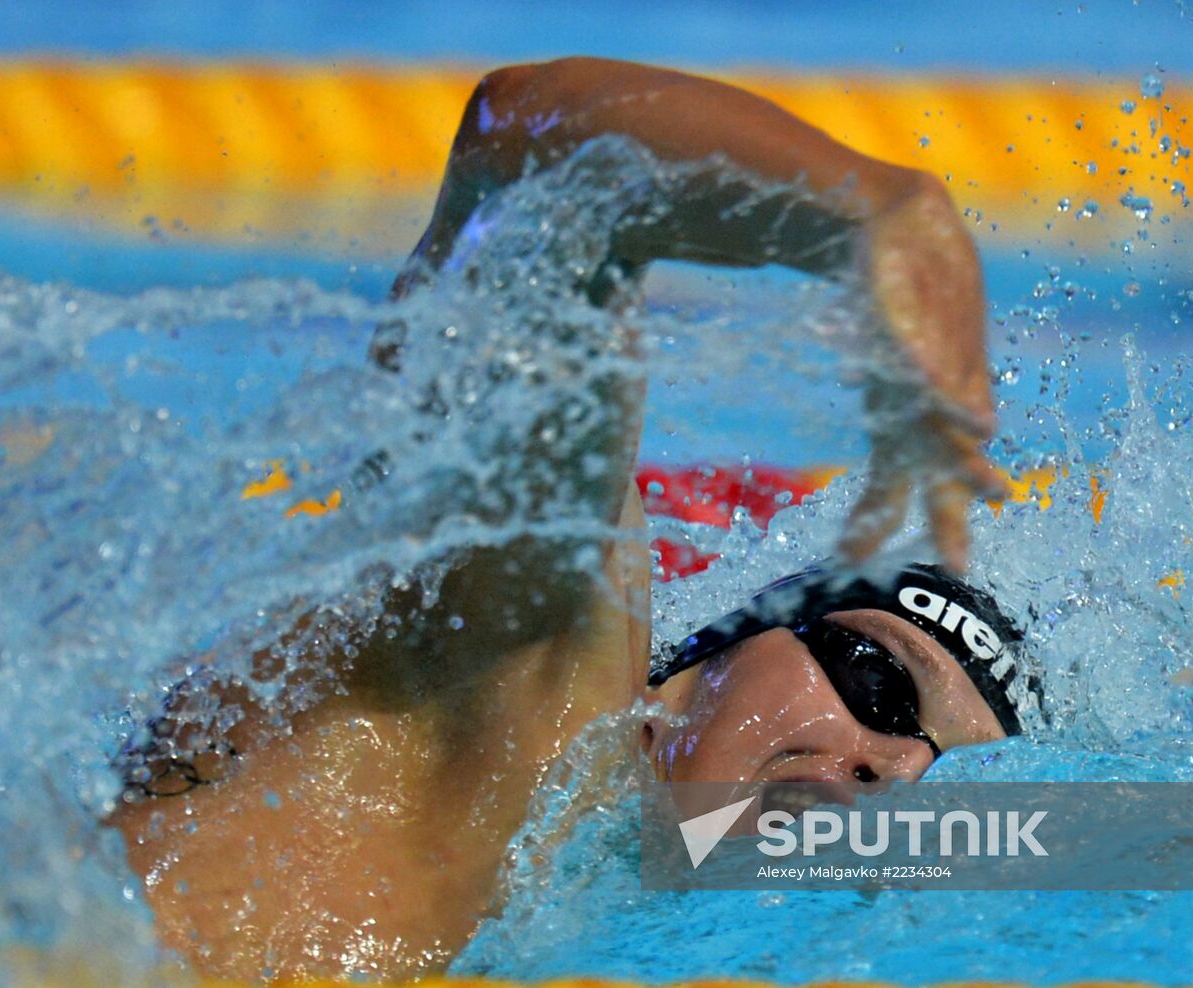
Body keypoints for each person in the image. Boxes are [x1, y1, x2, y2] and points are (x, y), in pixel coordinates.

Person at [109, 56, 1015, 982]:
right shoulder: (517, 679)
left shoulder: (588, 912)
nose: (896, 769)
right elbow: (532, 176)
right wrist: (873, 211)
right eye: (880, 685)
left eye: (946, 780)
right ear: (721, 648)